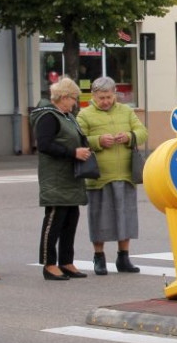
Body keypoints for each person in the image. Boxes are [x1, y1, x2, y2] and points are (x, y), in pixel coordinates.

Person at [75, 77, 147, 275]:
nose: (106, 101)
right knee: (100, 218)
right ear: (93, 96)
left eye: (109, 97)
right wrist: (97, 141)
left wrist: (129, 137)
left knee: (126, 216)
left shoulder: (126, 111)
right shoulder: (84, 115)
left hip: (125, 174)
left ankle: (124, 257)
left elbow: (142, 132)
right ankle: (99, 257)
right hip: (99, 176)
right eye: (101, 98)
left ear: (115, 94)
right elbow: (78, 139)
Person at [29, 77, 91, 281]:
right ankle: (49, 264)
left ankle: (66, 261)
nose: (75, 103)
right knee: (54, 221)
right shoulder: (48, 116)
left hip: (70, 177)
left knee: (71, 219)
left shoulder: (67, 116)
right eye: (73, 98)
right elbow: (44, 145)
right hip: (55, 178)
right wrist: (73, 152)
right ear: (63, 97)